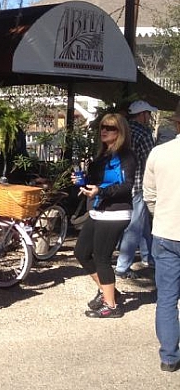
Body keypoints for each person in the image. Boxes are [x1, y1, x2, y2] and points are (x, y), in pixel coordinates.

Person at [73, 113, 136, 319]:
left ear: (120, 131)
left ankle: (111, 306)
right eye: (102, 127)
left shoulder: (126, 155)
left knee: (101, 257)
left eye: (110, 127)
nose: (104, 130)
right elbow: (94, 182)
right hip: (98, 210)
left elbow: (127, 186)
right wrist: (82, 183)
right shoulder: (102, 156)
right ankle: (108, 291)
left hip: (116, 212)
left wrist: (101, 191)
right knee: (82, 252)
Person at [143, 102, 180, 372]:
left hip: (167, 232)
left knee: (167, 298)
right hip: (167, 230)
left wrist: (162, 216)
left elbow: (149, 197)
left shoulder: (159, 153)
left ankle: (169, 356)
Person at [114, 100, 157, 279]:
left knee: (143, 223)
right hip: (139, 184)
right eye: (148, 113)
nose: (150, 117)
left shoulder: (121, 130)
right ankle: (123, 266)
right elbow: (150, 162)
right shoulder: (145, 134)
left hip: (121, 184)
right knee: (135, 227)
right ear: (142, 114)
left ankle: (150, 257)